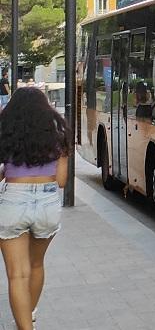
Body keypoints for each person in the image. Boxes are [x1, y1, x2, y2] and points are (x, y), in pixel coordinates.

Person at [0, 87, 70, 330]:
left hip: (13, 201)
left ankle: (24, 326)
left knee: (17, 274)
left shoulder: (5, 130)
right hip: (48, 202)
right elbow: (61, 180)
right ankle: (27, 317)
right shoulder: (59, 132)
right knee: (36, 264)